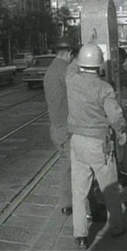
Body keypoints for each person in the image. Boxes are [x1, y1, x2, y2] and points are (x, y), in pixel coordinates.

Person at [66, 43, 127, 249]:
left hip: (76, 141)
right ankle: (117, 227)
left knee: (78, 190)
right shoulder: (104, 88)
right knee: (109, 187)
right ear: (99, 65)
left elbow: (72, 66)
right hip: (98, 143)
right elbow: (115, 116)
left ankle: (81, 235)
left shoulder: (71, 80)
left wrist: (87, 43)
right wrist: (121, 131)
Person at [43, 36, 78, 217]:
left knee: (66, 166)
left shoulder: (50, 70)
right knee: (79, 167)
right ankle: (83, 206)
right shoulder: (66, 71)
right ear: (69, 53)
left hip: (55, 127)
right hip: (67, 128)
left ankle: (66, 204)